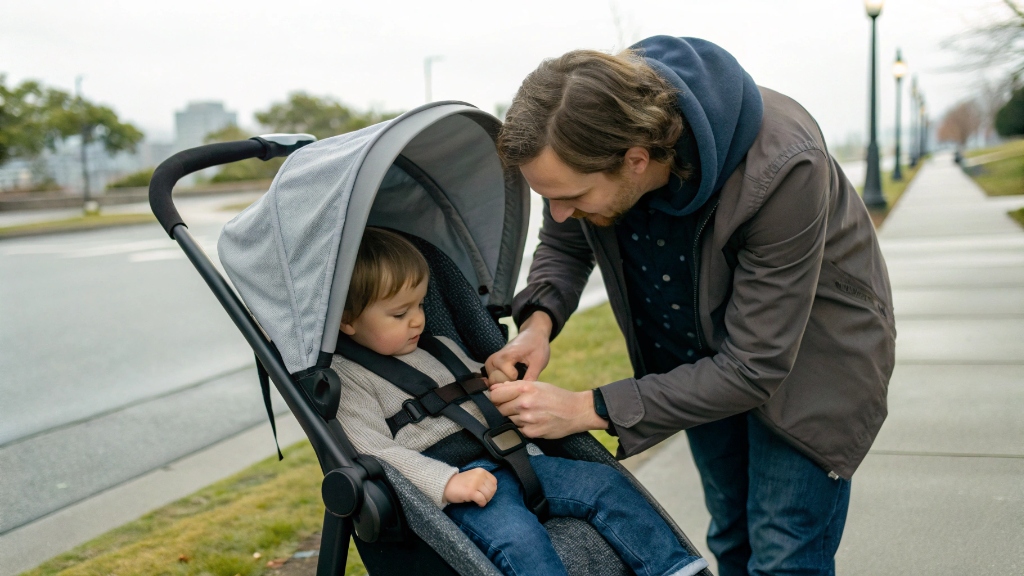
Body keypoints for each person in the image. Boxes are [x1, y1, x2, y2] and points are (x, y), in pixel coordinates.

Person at [486, 36, 896, 576]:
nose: (559, 213)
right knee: (732, 538)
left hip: (809, 365)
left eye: (573, 198)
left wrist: (589, 408)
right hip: (696, 362)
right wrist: (536, 326)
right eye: (549, 198)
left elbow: (754, 365)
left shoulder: (784, 164)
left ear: (636, 160)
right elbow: (565, 243)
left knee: (783, 555)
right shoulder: (583, 138)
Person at [332, 227, 709, 576]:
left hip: (516, 456)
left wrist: (494, 377)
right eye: (400, 313)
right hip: (464, 484)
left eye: (419, 306)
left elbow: (472, 384)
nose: (417, 321)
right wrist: (445, 483)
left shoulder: (437, 345)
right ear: (347, 320)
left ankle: (673, 568)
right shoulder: (348, 380)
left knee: (604, 484)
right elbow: (374, 453)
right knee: (519, 540)